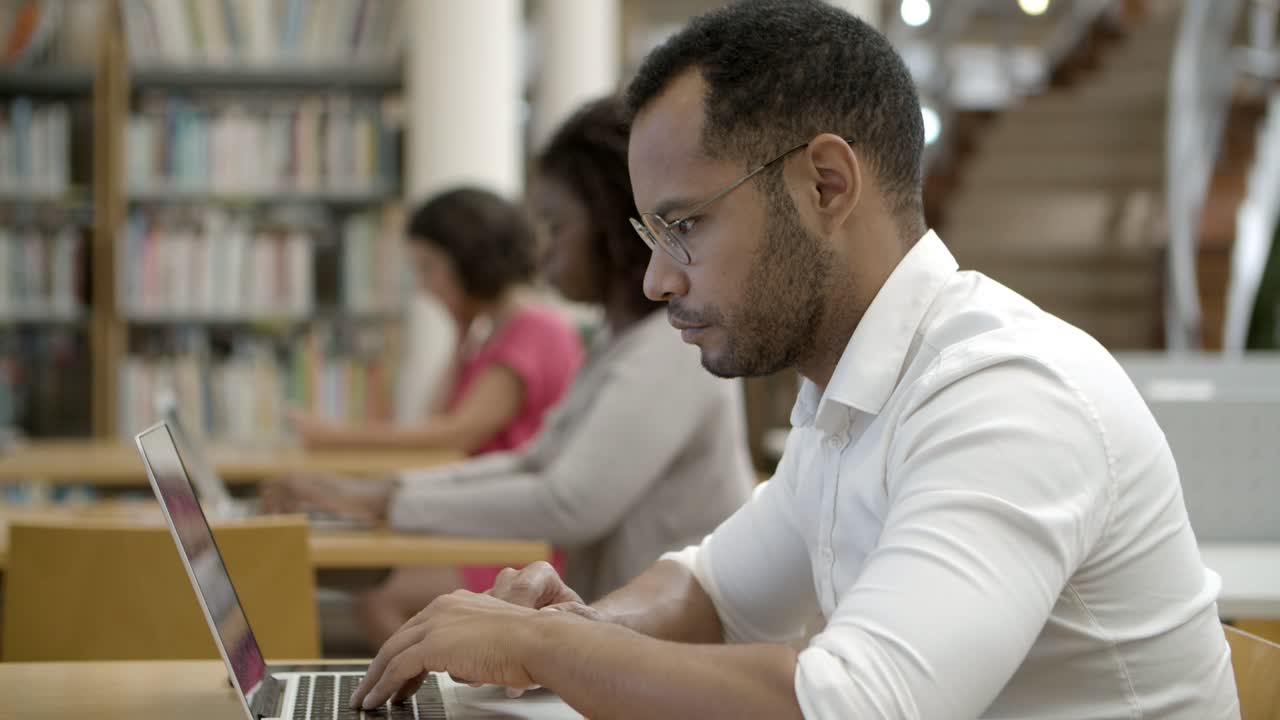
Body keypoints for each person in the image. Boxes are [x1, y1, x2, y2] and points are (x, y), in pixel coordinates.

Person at [347, 2, 1240, 718]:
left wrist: (549, 649)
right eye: (649, 234)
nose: (657, 278)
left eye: (684, 225)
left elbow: (861, 703)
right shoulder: (849, 390)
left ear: (826, 184)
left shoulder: (1007, 393)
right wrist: (577, 624)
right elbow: (712, 588)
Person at [266, 97, 756, 649]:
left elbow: (568, 503)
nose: (540, 253)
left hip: (674, 656)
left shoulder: (673, 349)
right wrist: (382, 491)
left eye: (556, 227)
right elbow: (532, 460)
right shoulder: (617, 346)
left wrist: (381, 501)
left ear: (613, 227)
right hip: (624, 635)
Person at [286, 187, 583, 456]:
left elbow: (456, 435)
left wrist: (340, 438)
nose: (423, 287)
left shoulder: (535, 329)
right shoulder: (494, 331)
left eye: (428, 268)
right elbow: (436, 419)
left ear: (469, 259)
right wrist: (459, 336)